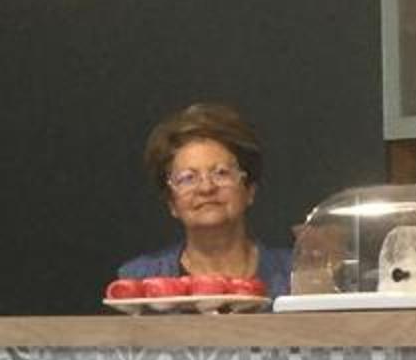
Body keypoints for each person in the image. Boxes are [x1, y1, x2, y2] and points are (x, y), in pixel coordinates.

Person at [117, 101, 296, 297]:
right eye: (188, 178)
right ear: (172, 203)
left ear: (250, 191)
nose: (206, 188)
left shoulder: (296, 275)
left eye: (221, 173)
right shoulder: (138, 280)